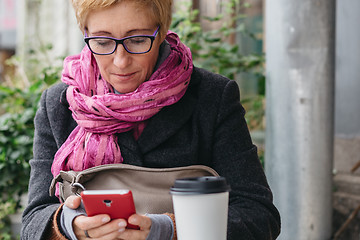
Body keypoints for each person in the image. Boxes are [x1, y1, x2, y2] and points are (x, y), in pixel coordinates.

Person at [21, 0, 281, 239]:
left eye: (137, 40)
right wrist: (69, 225)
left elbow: (259, 216)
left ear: (162, 32)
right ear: (85, 32)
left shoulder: (212, 98)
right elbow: (33, 221)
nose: (121, 62)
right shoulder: (58, 104)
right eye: (102, 42)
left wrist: (169, 229)